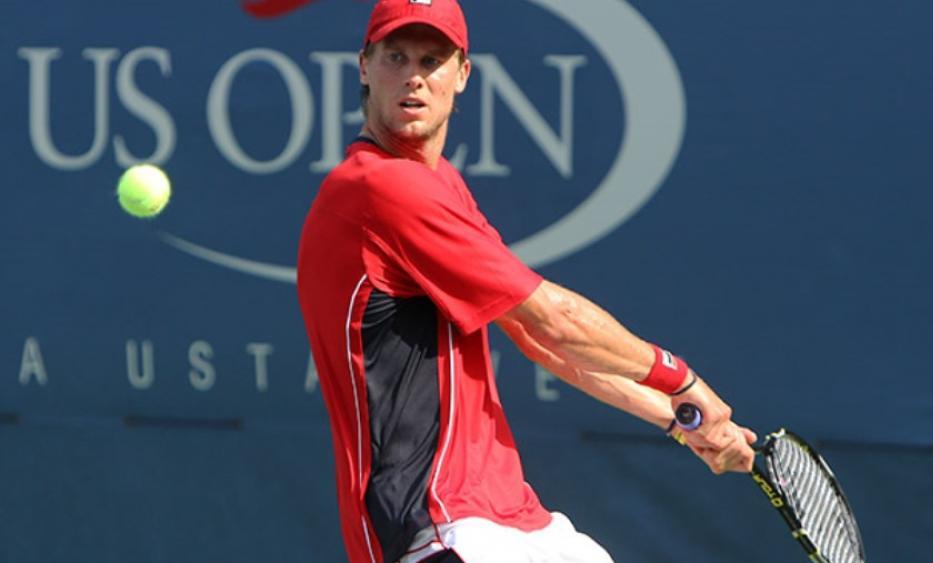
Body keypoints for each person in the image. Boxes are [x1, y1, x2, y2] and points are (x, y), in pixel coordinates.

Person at [297, 1, 757, 561]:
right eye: (395, 56)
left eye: (432, 59)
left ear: (462, 75)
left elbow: (533, 336)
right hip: (439, 527)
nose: (414, 76)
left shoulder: (438, 183)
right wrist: (680, 381)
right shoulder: (380, 188)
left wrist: (681, 421)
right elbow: (555, 320)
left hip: (512, 518)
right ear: (364, 66)